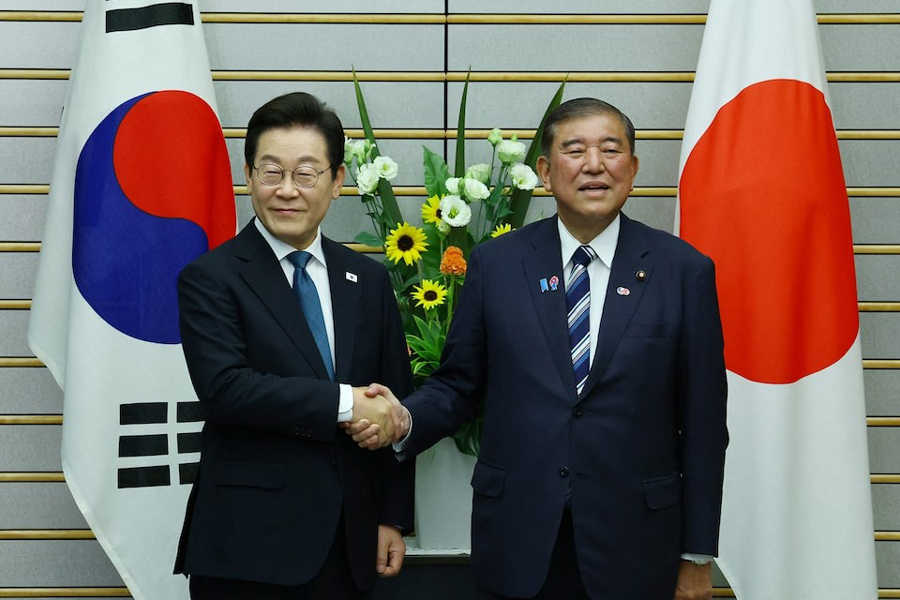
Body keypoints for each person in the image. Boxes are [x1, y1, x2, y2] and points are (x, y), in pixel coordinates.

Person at [351, 98, 728, 600]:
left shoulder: (683, 271)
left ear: (632, 170)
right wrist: (404, 419)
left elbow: (703, 426)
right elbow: (459, 385)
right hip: (519, 538)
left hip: (637, 547)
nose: (594, 165)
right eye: (575, 150)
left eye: (611, 150)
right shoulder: (498, 265)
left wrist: (696, 556)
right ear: (546, 172)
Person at [173, 91, 414, 600]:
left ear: (337, 182)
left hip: (350, 541)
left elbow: (395, 397)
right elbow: (226, 389)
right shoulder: (211, 278)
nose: (287, 190)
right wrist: (347, 403)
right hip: (249, 546)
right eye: (271, 172)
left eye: (306, 174)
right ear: (248, 176)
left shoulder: (367, 279)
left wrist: (393, 515)